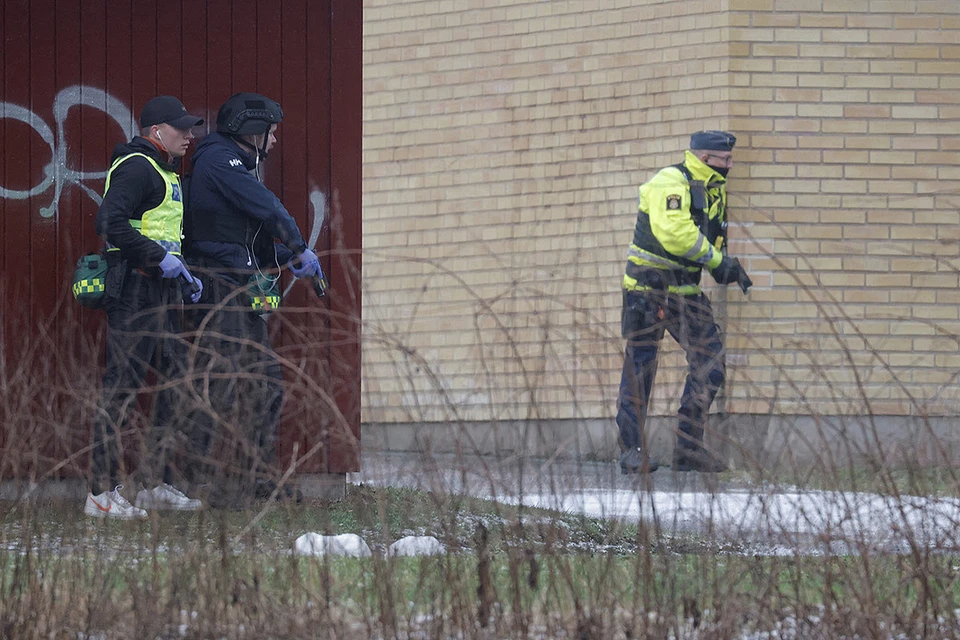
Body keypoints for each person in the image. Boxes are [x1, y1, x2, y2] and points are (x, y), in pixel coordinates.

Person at [184, 92, 322, 507]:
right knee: (224, 385)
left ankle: (259, 479)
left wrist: (285, 258)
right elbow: (266, 208)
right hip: (218, 288)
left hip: (238, 285)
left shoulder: (236, 166)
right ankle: (204, 481)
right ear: (251, 132)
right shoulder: (217, 161)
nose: (275, 141)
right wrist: (298, 244)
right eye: (271, 133)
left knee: (264, 384)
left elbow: (246, 237)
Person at [86, 95, 206, 518]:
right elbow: (109, 223)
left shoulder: (164, 170)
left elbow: (162, 232)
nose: (190, 135)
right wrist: (159, 259)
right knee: (121, 389)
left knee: (175, 381)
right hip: (134, 291)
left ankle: (157, 482)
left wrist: (183, 273)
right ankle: (100, 495)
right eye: (182, 128)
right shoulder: (138, 166)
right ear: (157, 131)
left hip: (161, 292)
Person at [616, 130, 753, 475]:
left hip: (686, 292)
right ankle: (631, 451)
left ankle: (688, 449)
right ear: (706, 158)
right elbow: (675, 234)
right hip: (648, 290)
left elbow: (708, 237)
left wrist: (725, 266)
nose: (731, 165)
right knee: (641, 367)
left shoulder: (713, 191)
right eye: (726, 160)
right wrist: (717, 261)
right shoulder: (670, 181)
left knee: (711, 363)